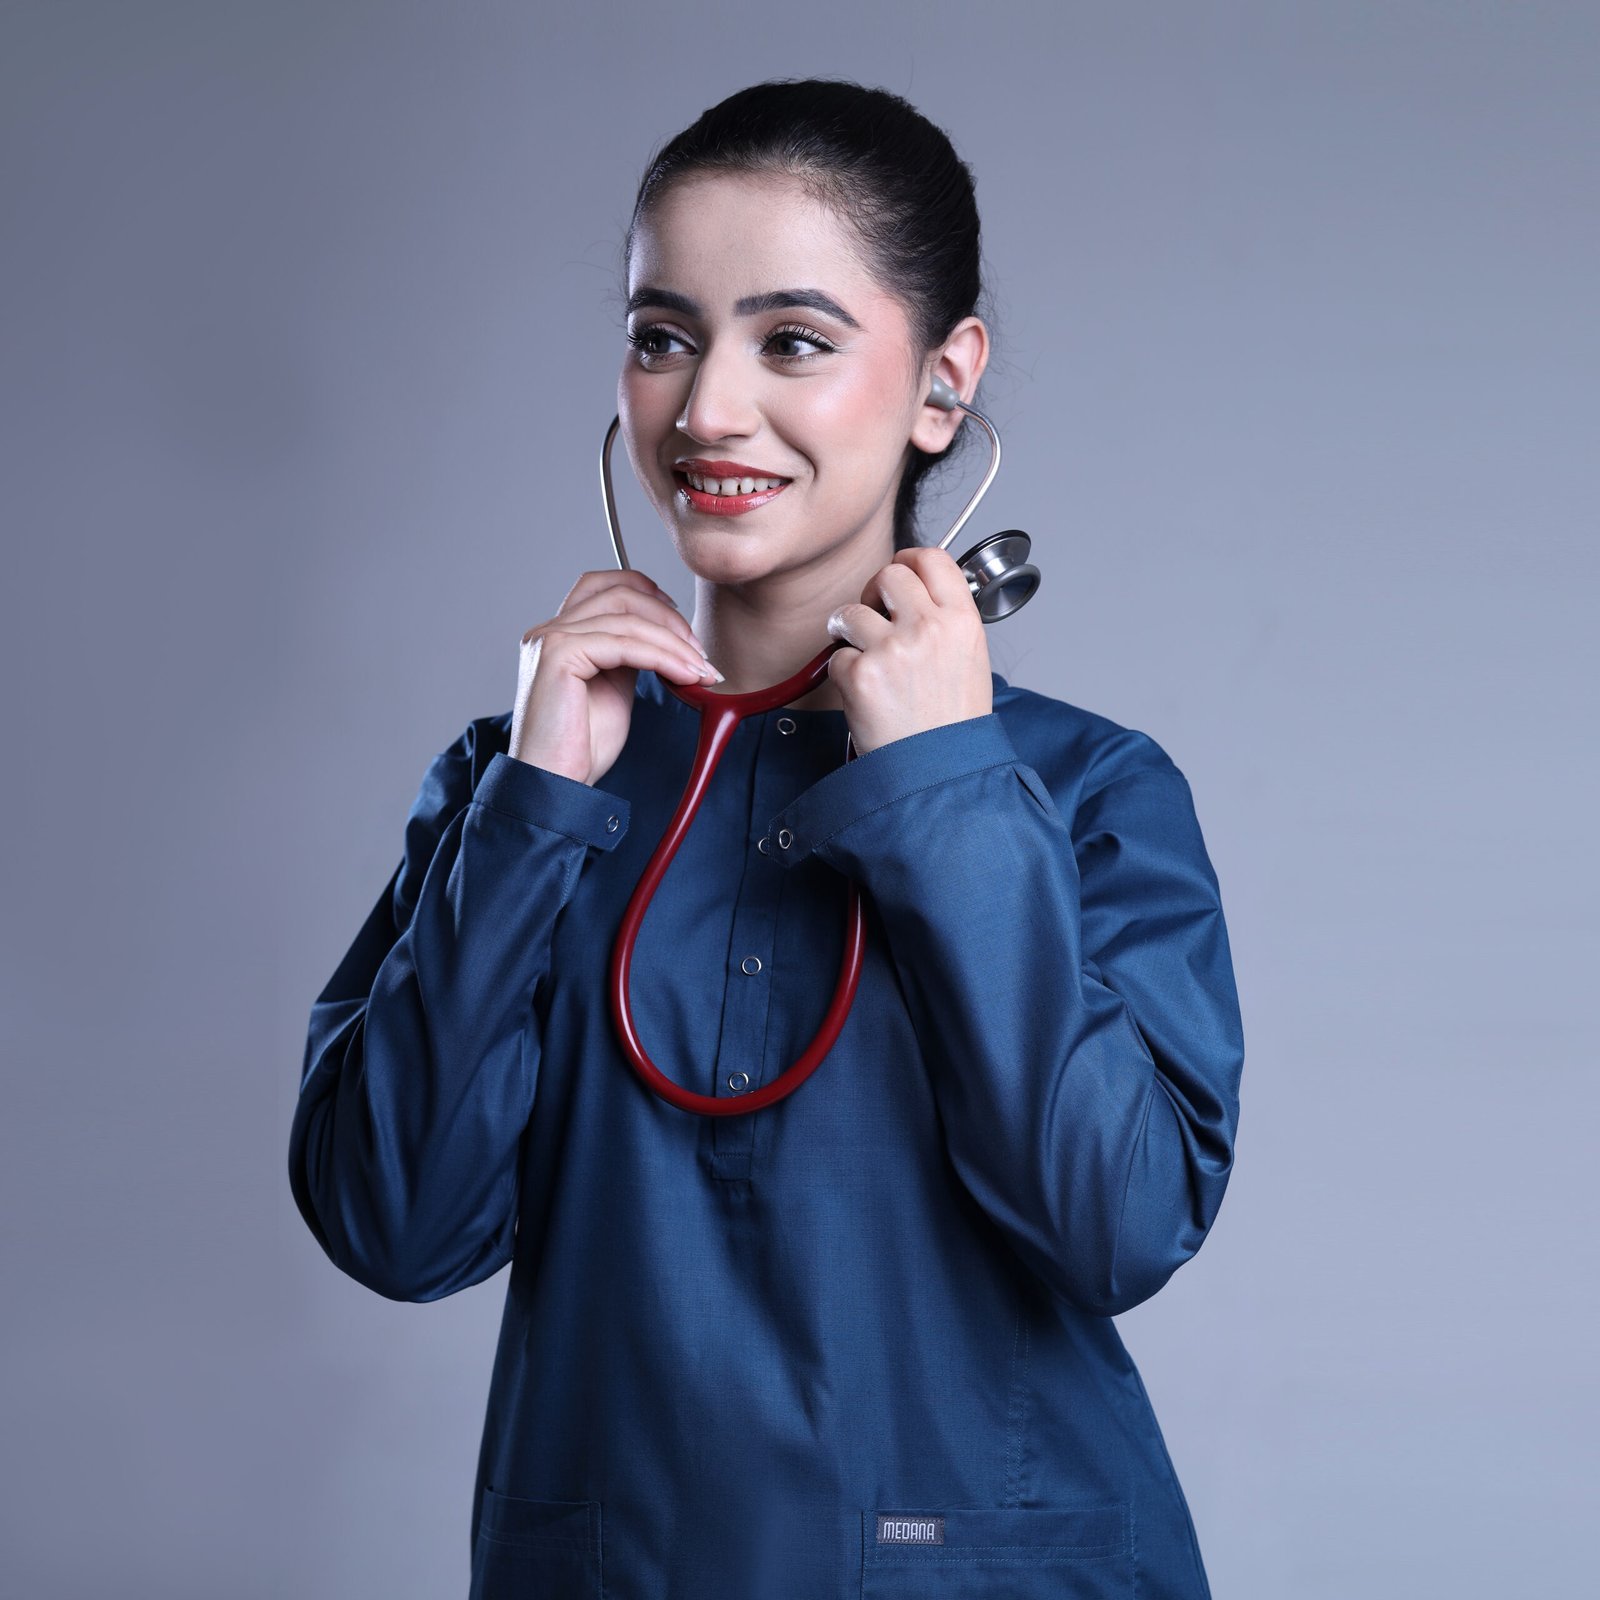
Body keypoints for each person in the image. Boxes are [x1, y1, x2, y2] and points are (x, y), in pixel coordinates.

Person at [288, 77, 1245, 1600]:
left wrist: (943, 783)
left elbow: (1116, 1226)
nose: (707, 410)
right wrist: (535, 806)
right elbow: (391, 1224)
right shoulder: (519, 786)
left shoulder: (1087, 790)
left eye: (792, 340)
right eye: (663, 338)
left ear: (942, 386)